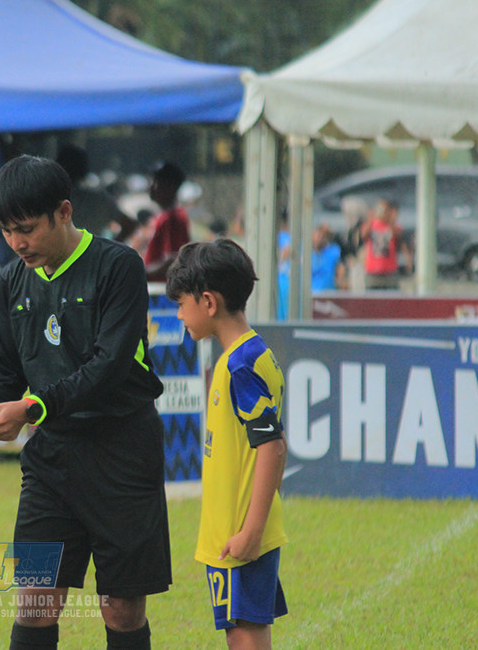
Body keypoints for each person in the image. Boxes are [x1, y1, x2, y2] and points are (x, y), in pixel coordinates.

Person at [0, 155, 170, 650]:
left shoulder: (118, 266)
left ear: (65, 211)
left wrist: (29, 410)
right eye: (7, 231)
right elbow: (4, 369)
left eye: (26, 229)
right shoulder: (11, 281)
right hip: (50, 463)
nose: (16, 243)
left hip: (122, 454)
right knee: (33, 601)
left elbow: (108, 366)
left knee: (121, 608)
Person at [165, 239, 289, 650]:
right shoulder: (249, 354)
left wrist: (252, 530)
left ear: (208, 302)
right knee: (247, 631)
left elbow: (271, 446)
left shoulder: (240, 364)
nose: (179, 314)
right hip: (235, 531)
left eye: (182, 303)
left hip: (240, 536)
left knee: (243, 636)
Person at [55, 143, 136, 241]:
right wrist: (110, 247)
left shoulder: (51, 199)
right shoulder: (99, 198)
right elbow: (130, 224)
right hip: (92, 253)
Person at [143, 161, 189, 281]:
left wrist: (143, 273)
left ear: (171, 187)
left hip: (163, 293)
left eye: (157, 182)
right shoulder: (162, 215)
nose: (152, 186)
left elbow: (174, 258)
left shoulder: (173, 218)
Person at [360, 198, 411, 290]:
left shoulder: (394, 225)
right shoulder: (371, 225)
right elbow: (363, 235)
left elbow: (398, 235)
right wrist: (371, 219)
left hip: (390, 271)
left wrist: (390, 220)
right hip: (373, 271)